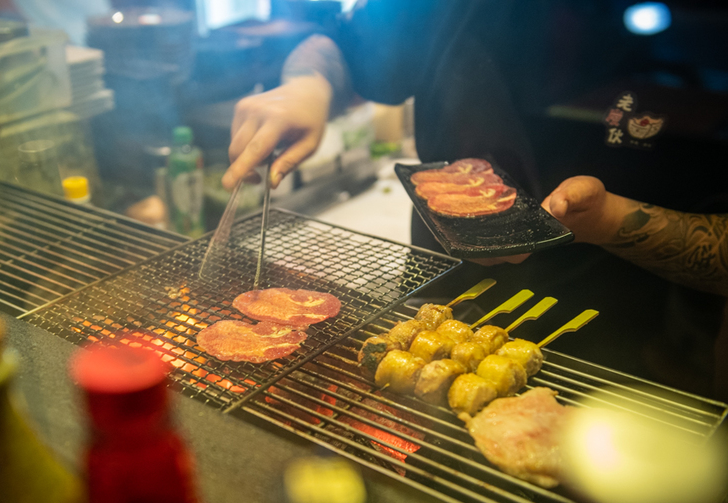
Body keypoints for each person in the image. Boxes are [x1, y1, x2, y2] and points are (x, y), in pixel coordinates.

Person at [223, 0, 728, 400]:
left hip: (621, 341)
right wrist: (306, 85)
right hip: (438, 299)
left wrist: (611, 219)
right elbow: (338, 43)